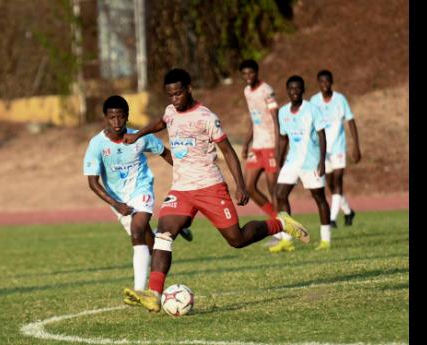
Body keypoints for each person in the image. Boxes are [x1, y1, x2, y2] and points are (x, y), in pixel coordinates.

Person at [122, 68, 311, 313]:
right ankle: (154, 294)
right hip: (181, 189)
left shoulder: (206, 117)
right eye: (170, 95)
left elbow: (228, 152)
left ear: (189, 88)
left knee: (237, 239)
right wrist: (138, 134)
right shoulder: (170, 111)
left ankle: (280, 223)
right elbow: (162, 122)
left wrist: (240, 185)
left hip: (210, 187)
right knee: (163, 234)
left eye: (178, 93)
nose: (174, 99)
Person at [83, 95, 192, 306]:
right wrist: (116, 204)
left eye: (121, 117)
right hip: (118, 201)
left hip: (142, 190)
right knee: (148, 241)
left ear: (127, 117)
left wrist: (186, 173)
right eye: (112, 117)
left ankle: (139, 292)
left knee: (137, 229)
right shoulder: (97, 145)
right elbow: (93, 183)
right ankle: (177, 227)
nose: (117, 122)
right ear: (106, 117)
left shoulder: (139, 137)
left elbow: (165, 153)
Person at [238, 60, 291, 253]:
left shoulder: (266, 90)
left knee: (274, 191)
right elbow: (254, 118)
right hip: (257, 145)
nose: (248, 76)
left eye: (251, 73)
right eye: (245, 74)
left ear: (257, 72)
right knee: (249, 187)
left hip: (270, 145)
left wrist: (277, 149)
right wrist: (246, 143)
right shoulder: (247, 91)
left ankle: (284, 233)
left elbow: (276, 121)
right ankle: (277, 224)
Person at [276, 75, 332, 251]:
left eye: (298, 88)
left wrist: (322, 162)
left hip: (311, 162)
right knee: (280, 195)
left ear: (303, 90)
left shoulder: (312, 109)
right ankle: (287, 239)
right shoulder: (283, 112)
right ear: (287, 91)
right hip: (292, 161)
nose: (294, 92)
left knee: (319, 197)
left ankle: (326, 240)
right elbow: (284, 138)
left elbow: (322, 136)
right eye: (291, 88)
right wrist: (279, 158)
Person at [310, 70, 361, 228]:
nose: (325, 85)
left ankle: (332, 219)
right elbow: (310, 124)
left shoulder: (340, 99)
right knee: (331, 185)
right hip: (323, 150)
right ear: (318, 83)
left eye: (327, 81)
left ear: (331, 82)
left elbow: (351, 121)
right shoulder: (314, 101)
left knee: (338, 182)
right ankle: (348, 211)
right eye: (321, 82)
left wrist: (356, 146)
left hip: (338, 148)